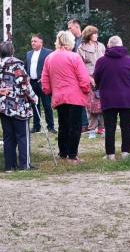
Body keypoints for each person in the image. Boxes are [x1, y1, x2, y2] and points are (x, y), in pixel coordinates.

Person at [41, 30, 92, 164]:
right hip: (74, 97)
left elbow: (44, 79)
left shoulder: (49, 57)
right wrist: (86, 90)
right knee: (75, 126)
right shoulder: (74, 57)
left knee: (63, 125)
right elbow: (83, 78)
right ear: (70, 42)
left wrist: (49, 91)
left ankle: (62, 153)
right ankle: (72, 155)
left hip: (59, 97)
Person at [0, 41, 37, 171]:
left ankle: (9, 165)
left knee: (8, 136)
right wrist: (34, 98)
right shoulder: (17, 65)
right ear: (12, 50)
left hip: (3, 106)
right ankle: (24, 165)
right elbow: (25, 84)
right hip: (19, 106)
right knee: (22, 136)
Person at [94, 36, 130, 160]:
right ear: (121, 45)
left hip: (108, 97)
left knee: (109, 127)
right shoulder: (129, 60)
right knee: (126, 126)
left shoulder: (101, 61)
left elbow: (97, 78)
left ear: (108, 46)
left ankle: (110, 154)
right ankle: (125, 153)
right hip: (127, 98)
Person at [77, 25, 106, 138]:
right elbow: (80, 66)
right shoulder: (81, 48)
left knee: (103, 104)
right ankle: (92, 129)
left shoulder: (101, 46)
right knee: (91, 105)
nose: (97, 35)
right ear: (89, 35)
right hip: (88, 79)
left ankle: (102, 128)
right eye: (94, 33)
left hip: (102, 78)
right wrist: (90, 79)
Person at [25, 34, 56, 133]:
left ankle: (50, 126)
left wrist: (45, 78)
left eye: (35, 41)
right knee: (34, 105)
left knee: (47, 105)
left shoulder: (48, 53)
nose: (33, 43)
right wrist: (27, 76)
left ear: (41, 42)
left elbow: (52, 68)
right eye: (32, 41)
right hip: (32, 83)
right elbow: (26, 67)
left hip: (43, 83)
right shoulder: (29, 54)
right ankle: (36, 126)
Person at [67, 18, 89, 132]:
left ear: (76, 27)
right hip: (74, 74)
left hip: (84, 73)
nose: (69, 30)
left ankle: (90, 124)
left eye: (70, 28)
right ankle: (83, 123)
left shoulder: (84, 40)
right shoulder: (72, 41)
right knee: (78, 99)